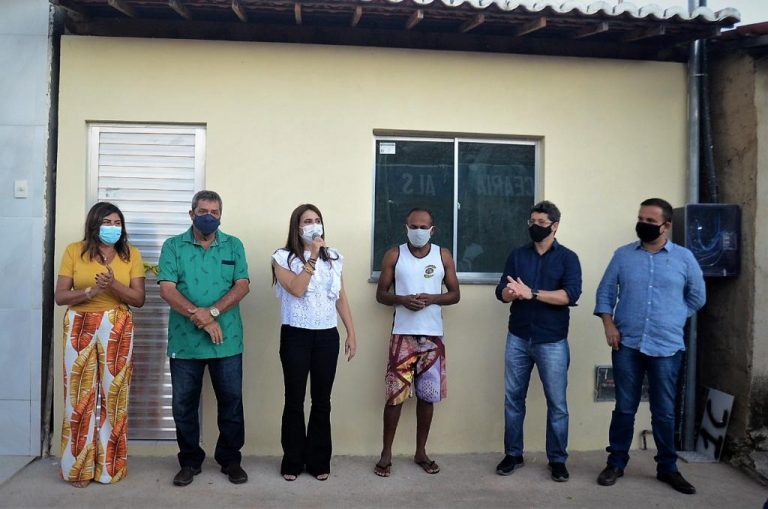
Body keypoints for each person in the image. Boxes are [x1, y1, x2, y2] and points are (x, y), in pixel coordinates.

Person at [595, 197, 705, 494]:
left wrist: (674, 316)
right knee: (624, 408)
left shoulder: (684, 258)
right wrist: (608, 324)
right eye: (640, 219)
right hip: (627, 344)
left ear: (666, 226)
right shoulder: (623, 256)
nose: (642, 224)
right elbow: (605, 292)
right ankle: (616, 462)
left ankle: (667, 468)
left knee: (664, 411)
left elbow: (697, 297)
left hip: (666, 346)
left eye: (650, 221)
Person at [158, 190, 250, 487]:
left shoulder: (234, 245)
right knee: (183, 405)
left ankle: (230, 460)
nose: (208, 217)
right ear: (191, 214)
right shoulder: (173, 246)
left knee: (231, 402)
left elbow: (242, 285)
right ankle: (189, 461)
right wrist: (200, 317)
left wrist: (211, 312)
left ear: (220, 215)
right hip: (185, 342)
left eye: (214, 212)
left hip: (227, 340)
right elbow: (167, 289)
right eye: (202, 211)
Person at [55, 202, 146, 487]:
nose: (113, 228)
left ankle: (110, 469)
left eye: (117, 223)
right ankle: (78, 470)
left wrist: (113, 285)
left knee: (114, 395)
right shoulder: (74, 251)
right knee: (79, 396)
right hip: (79, 323)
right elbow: (60, 296)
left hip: (117, 323)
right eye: (107, 222)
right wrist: (90, 292)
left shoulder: (131, 254)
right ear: (94, 224)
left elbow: (138, 299)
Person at [494, 200, 582, 482]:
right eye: (531, 222)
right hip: (518, 337)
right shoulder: (518, 255)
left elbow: (570, 295)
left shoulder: (568, 258)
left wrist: (531, 292)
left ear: (554, 226)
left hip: (552, 340)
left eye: (541, 223)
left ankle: (557, 459)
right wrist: (510, 293)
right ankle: (513, 454)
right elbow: (501, 291)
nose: (534, 227)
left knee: (557, 404)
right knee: (513, 400)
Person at [271, 204, 357, 481]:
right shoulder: (283, 257)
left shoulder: (334, 258)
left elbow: (340, 297)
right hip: (295, 335)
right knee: (294, 399)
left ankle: (319, 461)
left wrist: (351, 332)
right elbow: (297, 289)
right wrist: (312, 257)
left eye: (317, 220)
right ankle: (293, 461)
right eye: (307, 221)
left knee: (322, 400)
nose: (313, 225)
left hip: (326, 336)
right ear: (297, 227)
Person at [374, 208, 460, 477]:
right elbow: (381, 294)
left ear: (432, 230)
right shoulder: (394, 255)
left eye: (424, 227)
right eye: (414, 226)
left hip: (433, 337)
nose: (419, 231)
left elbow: (455, 294)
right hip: (402, 336)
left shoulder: (442, 255)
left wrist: (433, 298)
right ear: (406, 227)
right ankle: (386, 454)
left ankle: (421, 452)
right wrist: (402, 300)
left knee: (427, 397)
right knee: (394, 397)